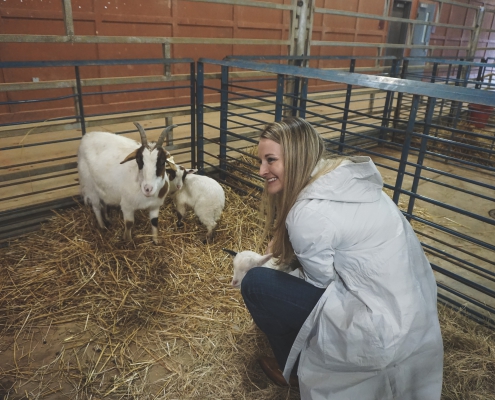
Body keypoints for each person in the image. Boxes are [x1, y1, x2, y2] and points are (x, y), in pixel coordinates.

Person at [240, 117, 444, 399]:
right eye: (261, 161)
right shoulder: (343, 178)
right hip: (413, 316)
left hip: (378, 327)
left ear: (297, 159)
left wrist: (282, 262)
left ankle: (294, 368)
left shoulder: (307, 214)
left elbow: (319, 284)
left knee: (257, 284)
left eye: (271, 160)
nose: (262, 170)